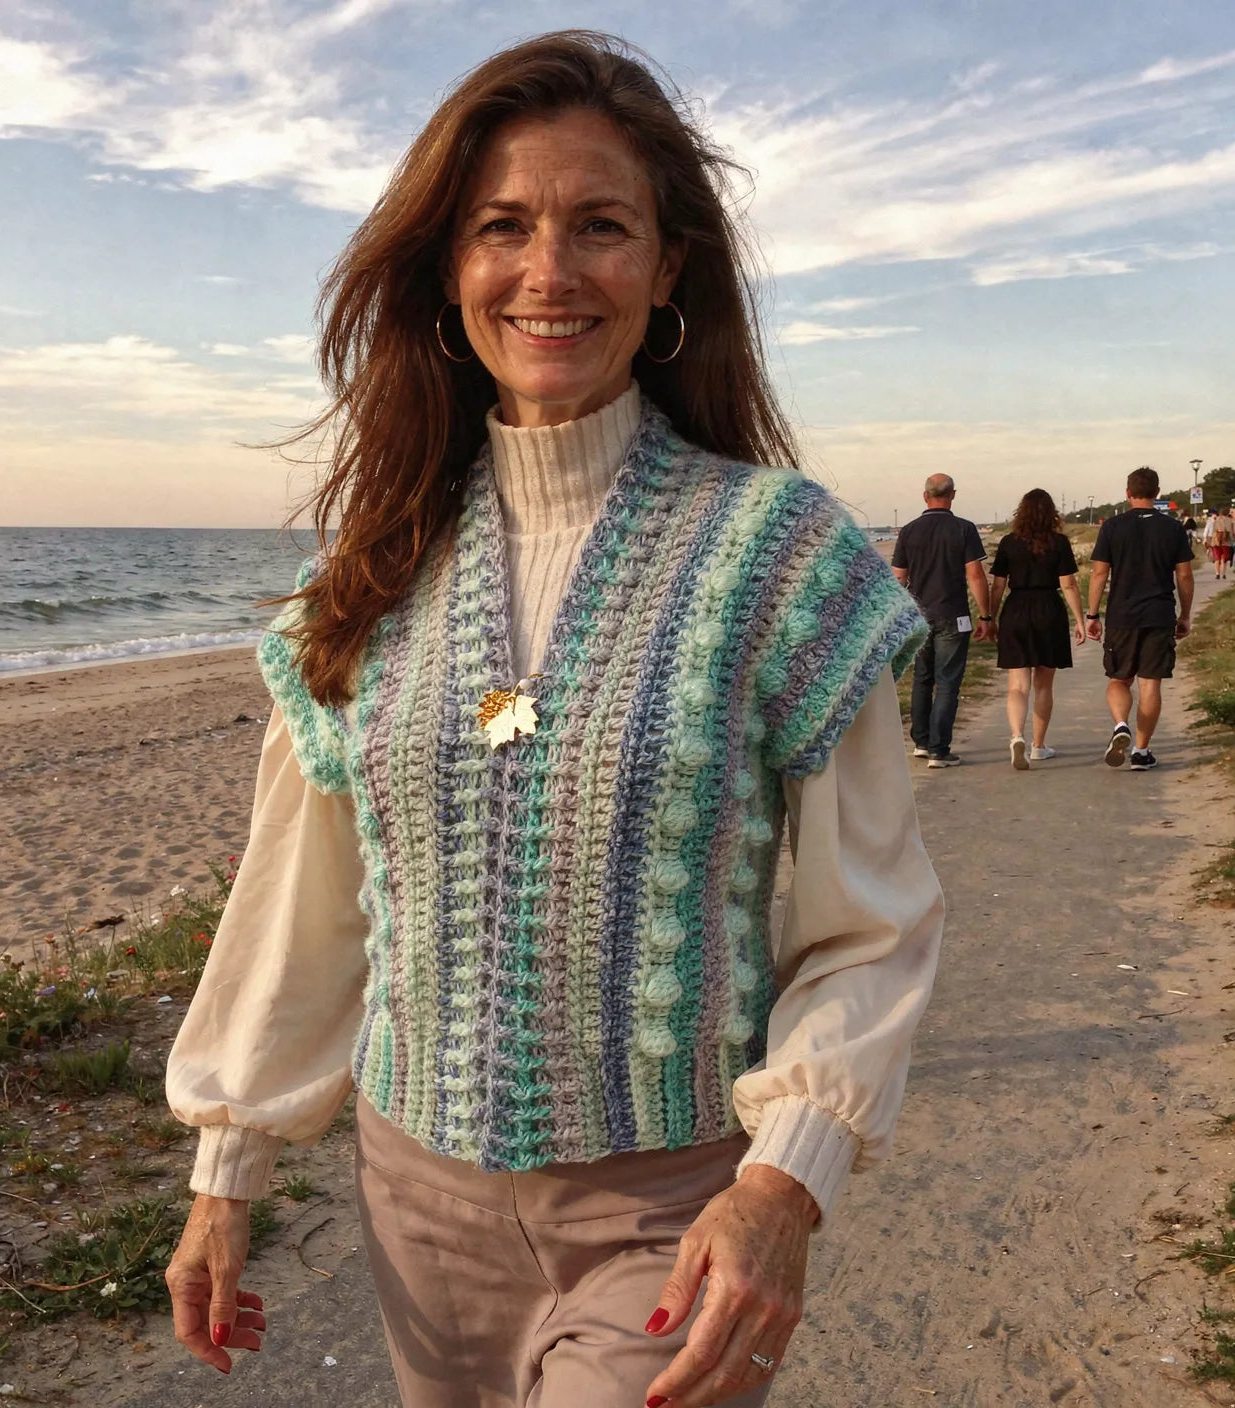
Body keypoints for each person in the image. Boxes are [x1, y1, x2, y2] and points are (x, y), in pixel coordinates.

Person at [163, 32, 944, 1408]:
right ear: (447, 268)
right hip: (414, 1211)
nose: (548, 272)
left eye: (600, 227)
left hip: (677, 1218)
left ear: (666, 269)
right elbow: (303, 901)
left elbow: (871, 923)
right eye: (502, 228)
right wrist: (227, 1170)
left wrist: (785, 1185)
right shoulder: (373, 569)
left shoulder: (783, 558)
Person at [1086, 467, 1195, 770]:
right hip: (1159, 614)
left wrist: (1092, 613)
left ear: (1128, 493)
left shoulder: (1112, 527)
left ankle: (1121, 724)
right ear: (1157, 493)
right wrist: (1185, 614)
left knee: (1119, 679)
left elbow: (1099, 572)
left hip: (1122, 615)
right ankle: (1141, 752)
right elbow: (1184, 574)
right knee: (1150, 684)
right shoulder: (1172, 528)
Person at [891, 474, 992, 767]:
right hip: (953, 613)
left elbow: (899, 577)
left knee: (922, 678)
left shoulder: (909, 531)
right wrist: (985, 615)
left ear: (925, 496)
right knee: (947, 681)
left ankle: (921, 741)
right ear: (953, 495)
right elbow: (975, 574)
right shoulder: (963, 529)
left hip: (919, 614)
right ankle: (939, 748)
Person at [987, 489, 1085, 769]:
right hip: (1048, 610)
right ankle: (1039, 746)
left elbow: (997, 585)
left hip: (1016, 610)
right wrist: (1079, 619)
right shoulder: (1060, 543)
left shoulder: (1008, 542)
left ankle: (1017, 735)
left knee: (1018, 685)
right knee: (1044, 684)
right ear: (1051, 513)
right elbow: (1068, 584)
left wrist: (990, 618)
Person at [1208, 506, 1233, 581]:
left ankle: (1217, 574)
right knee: (1224, 559)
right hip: (1226, 542)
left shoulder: (1215, 520)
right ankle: (1223, 574)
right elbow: (1231, 533)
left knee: (1217, 559)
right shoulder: (1229, 520)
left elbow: (1212, 531)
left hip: (1216, 542)